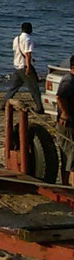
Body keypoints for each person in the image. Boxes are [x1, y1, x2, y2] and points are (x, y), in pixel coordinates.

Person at [2, 21, 44, 114]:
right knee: (34, 88)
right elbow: (28, 54)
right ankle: (40, 107)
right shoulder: (28, 39)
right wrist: (29, 67)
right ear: (30, 30)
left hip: (17, 65)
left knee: (13, 87)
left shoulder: (16, 39)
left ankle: (4, 104)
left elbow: (16, 51)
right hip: (24, 66)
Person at [55, 56, 74, 186]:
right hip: (67, 124)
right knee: (71, 154)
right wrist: (65, 114)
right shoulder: (69, 81)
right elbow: (60, 97)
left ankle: (66, 184)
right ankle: (68, 184)